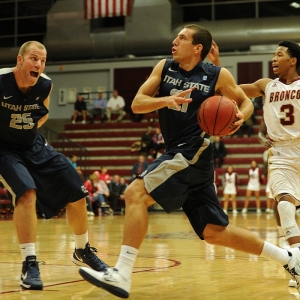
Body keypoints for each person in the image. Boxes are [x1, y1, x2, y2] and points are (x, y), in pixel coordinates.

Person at [78, 25, 300, 298]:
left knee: (134, 194)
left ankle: (122, 274)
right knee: (215, 232)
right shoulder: (164, 67)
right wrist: (166, 100)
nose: (174, 41)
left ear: (197, 48)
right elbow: (137, 103)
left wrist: (239, 118)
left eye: (182, 38)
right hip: (184, 153)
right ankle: (290, 260)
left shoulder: (216, 74)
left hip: (192, 150)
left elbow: (245, 102)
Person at [0, 41, 108, 290]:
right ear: (20, 60)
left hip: (34, 145)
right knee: (26, 192)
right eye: (34, 59)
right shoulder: (1, 81)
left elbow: (44, 114)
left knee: (76, 187)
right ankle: (29, 263)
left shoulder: (45, 84)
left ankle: (82, 250)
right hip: (5, 150)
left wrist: (25, 129)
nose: (38, 64)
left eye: (43, 60)